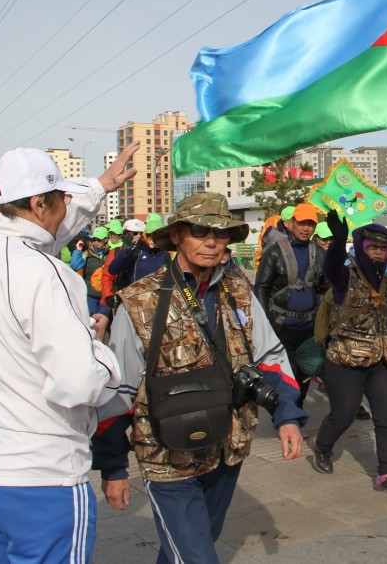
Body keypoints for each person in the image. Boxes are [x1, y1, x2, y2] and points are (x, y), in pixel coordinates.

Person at [0, 144, 137, 563]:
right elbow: (79, 382)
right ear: (37, 203)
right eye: (60, 200)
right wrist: (99, 348)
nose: (66, 210)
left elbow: (35, 237)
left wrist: (101, 186)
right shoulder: (45, 272)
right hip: (37, 473)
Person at [95, 192, 306, 564]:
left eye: (221, 233)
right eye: (200, 230)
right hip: (166, 456)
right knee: (197, 558)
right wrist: (113, 466)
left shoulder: (240, 291)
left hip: (228, 448)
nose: (211, 241)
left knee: (194, 546)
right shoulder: (139, 300)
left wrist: (287, 415)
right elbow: (118, 389)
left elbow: (271, 357)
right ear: (176, 235)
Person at [310, 211, 387, 498]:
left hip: (384, 361)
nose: (378, 252)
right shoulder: (346, 277)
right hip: (346, 360)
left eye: (383, 247)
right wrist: (339, 239)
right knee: (343, 414)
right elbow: (331, 268)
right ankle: (323, 446)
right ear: (362, 247)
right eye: (372, 247)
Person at [254, 202, 329, 406]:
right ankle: (287, 415)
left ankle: (296, 411)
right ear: (291, 223)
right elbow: (261, 286)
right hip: (281, 325)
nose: (306, 228)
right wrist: (265, 323)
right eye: (302, 223)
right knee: (288, 375)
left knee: (306, 372)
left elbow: (327, 287)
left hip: (309, 328)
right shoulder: (275, 251)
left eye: (310, 224)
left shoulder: (319, 253)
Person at [108, 212, 169, 287]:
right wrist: (124, 252)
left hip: (159, 297)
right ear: (145, 235)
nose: (152, 239)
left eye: (157, 235)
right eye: (149, 235)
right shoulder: (137, 251)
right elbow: (113, 270)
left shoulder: (166, 254)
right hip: (137, 296)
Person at [71, 226, 109, 316]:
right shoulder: (87, 254)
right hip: (90, 294)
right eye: (94, 239)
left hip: (106, 293)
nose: (96, 242)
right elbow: (75, 265)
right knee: (92, 321)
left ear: (105, 240)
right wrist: (78, 249)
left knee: (105, 321)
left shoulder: (111, 253)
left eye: (99, 240)